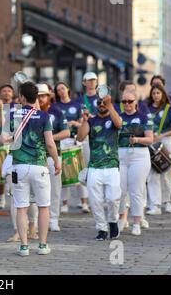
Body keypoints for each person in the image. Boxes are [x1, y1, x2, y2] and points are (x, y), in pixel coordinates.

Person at [0, 81, 61, 257]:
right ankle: (42, 245)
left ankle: (24, 246)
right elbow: (50, 144)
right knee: (43, 207)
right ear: (36, 98)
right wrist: (56, 161)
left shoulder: (13, 116)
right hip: (39, 166)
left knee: (21, 207)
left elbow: (3, 140)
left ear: (21, 97)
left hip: (18, 166)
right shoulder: (44, 117)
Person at [77, 93, 123, 241]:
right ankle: (102, 228)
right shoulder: (91, 120)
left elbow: (119, 124)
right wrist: (84, 120)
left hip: (111, 165)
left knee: (113, 198)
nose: (102, 105)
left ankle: (113, 221)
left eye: (104, 103)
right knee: (95, 201)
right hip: (95, 167)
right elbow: (80, 137)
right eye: (99, 103)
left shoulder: (113, 116)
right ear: (96, 105)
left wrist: (110, 104)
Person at [117, 90, 154, 236]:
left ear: (136, 102)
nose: (127, 104)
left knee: (136, 191)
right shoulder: (118, 117)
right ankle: (121, 219)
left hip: (139, 155)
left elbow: (150, 139)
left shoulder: (144, 117)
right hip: (121, 154)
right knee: (120, 190)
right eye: (124, 101)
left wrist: (137, 140)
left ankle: (137, 222)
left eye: (130, 101)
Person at [37, 83, 70, 232]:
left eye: (43, 96)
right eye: (38, 96)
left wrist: (49, 137)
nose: (41, 99)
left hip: (53, 155)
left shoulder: (57, 112)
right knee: (37, 189)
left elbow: (66, 133)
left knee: (55, 189)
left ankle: (54, 219)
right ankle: (37, 221)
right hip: (35, 157)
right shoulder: (31, 112)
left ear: (48, 97)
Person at [54, 81, 90, 214]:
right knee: (63, 174)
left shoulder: (77, 105)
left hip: (75, 140)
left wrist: (75, 123)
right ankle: (64, 204)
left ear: (68, 89)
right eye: (58, 90)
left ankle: (84, 203)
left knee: (80, 172)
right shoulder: (55, 107)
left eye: (63, 88)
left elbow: (84, 124)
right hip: (61, 141)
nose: (61, 91)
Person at [146, 85, 171, 215]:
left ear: (163, 94)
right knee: (152, 174)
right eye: (153, 93)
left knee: (166, 173)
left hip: (166, 141)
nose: (155, 95)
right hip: (152, 142)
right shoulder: (147, 109)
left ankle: (167, 202)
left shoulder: (169, 108)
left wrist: (162, 135)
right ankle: (155, 205)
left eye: (158, 93)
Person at [0, 84, 15, 209]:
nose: (6, 93)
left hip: (13, 141)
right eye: (4, 91)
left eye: (9, 91)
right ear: (0, 93)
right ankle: (1, 197)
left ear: (12, 93)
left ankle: (13, 194)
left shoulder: (17, 107)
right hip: (0, 141)